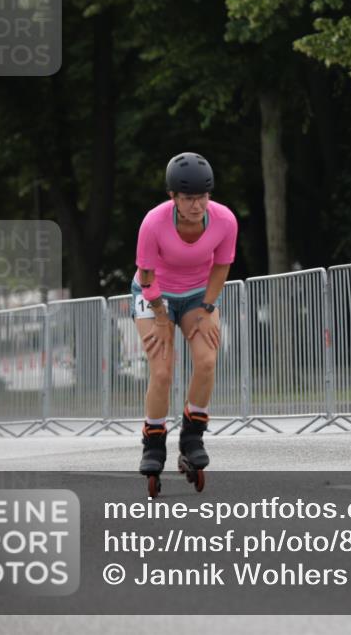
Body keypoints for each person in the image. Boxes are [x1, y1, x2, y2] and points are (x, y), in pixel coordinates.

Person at [134, 152, 238, 496]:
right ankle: (153, 444)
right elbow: (147, 276)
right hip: (155, 294)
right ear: (173, 198)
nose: (197, 206)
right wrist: (162, 317)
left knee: (207, 360)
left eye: (203, 197)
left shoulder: (224, 220)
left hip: (197, 295)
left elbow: (222, 266)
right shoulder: (153, 222)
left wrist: (208, 306)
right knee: (162, 369)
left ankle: (192, 438)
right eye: (189, 198)